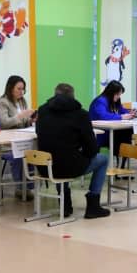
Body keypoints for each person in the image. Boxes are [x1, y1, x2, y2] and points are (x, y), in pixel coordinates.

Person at [36, 83, 110, 219]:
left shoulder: (42, 110)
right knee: (103, 159)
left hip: (45, 167)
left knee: (60, 155)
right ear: (73, 96)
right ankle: (93, 205)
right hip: (69, 167)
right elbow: (92, 149)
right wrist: (83, 153)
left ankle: (65, 206)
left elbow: (38, 132)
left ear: (55, 95)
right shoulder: (81, 115)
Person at [0, 75, 36, 199]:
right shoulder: (2, 102)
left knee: (33, 153)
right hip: (7, 143)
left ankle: (29, 186)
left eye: (23, 89)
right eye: (19, 89)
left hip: (23, 139)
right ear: (10, 88)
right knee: (18, 156)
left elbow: (25, 122)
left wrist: (32, 119)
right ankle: (20, 187)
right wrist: (20, 116)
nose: (21, 92)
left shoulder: (22, 101)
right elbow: (4, 123)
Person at [88, 80, 135, 156]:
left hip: (111, 131)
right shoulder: (100, 101)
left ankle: (125, 155)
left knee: (129, 131)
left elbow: (121, 110)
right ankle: (124, 154)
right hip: (101, 133)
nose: (118, 97)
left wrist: (129, 114)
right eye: (117, 94)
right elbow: (104, 116)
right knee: (125, 134)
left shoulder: (114, 100)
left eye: (119, 95)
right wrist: (121, 117)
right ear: (111, 92)